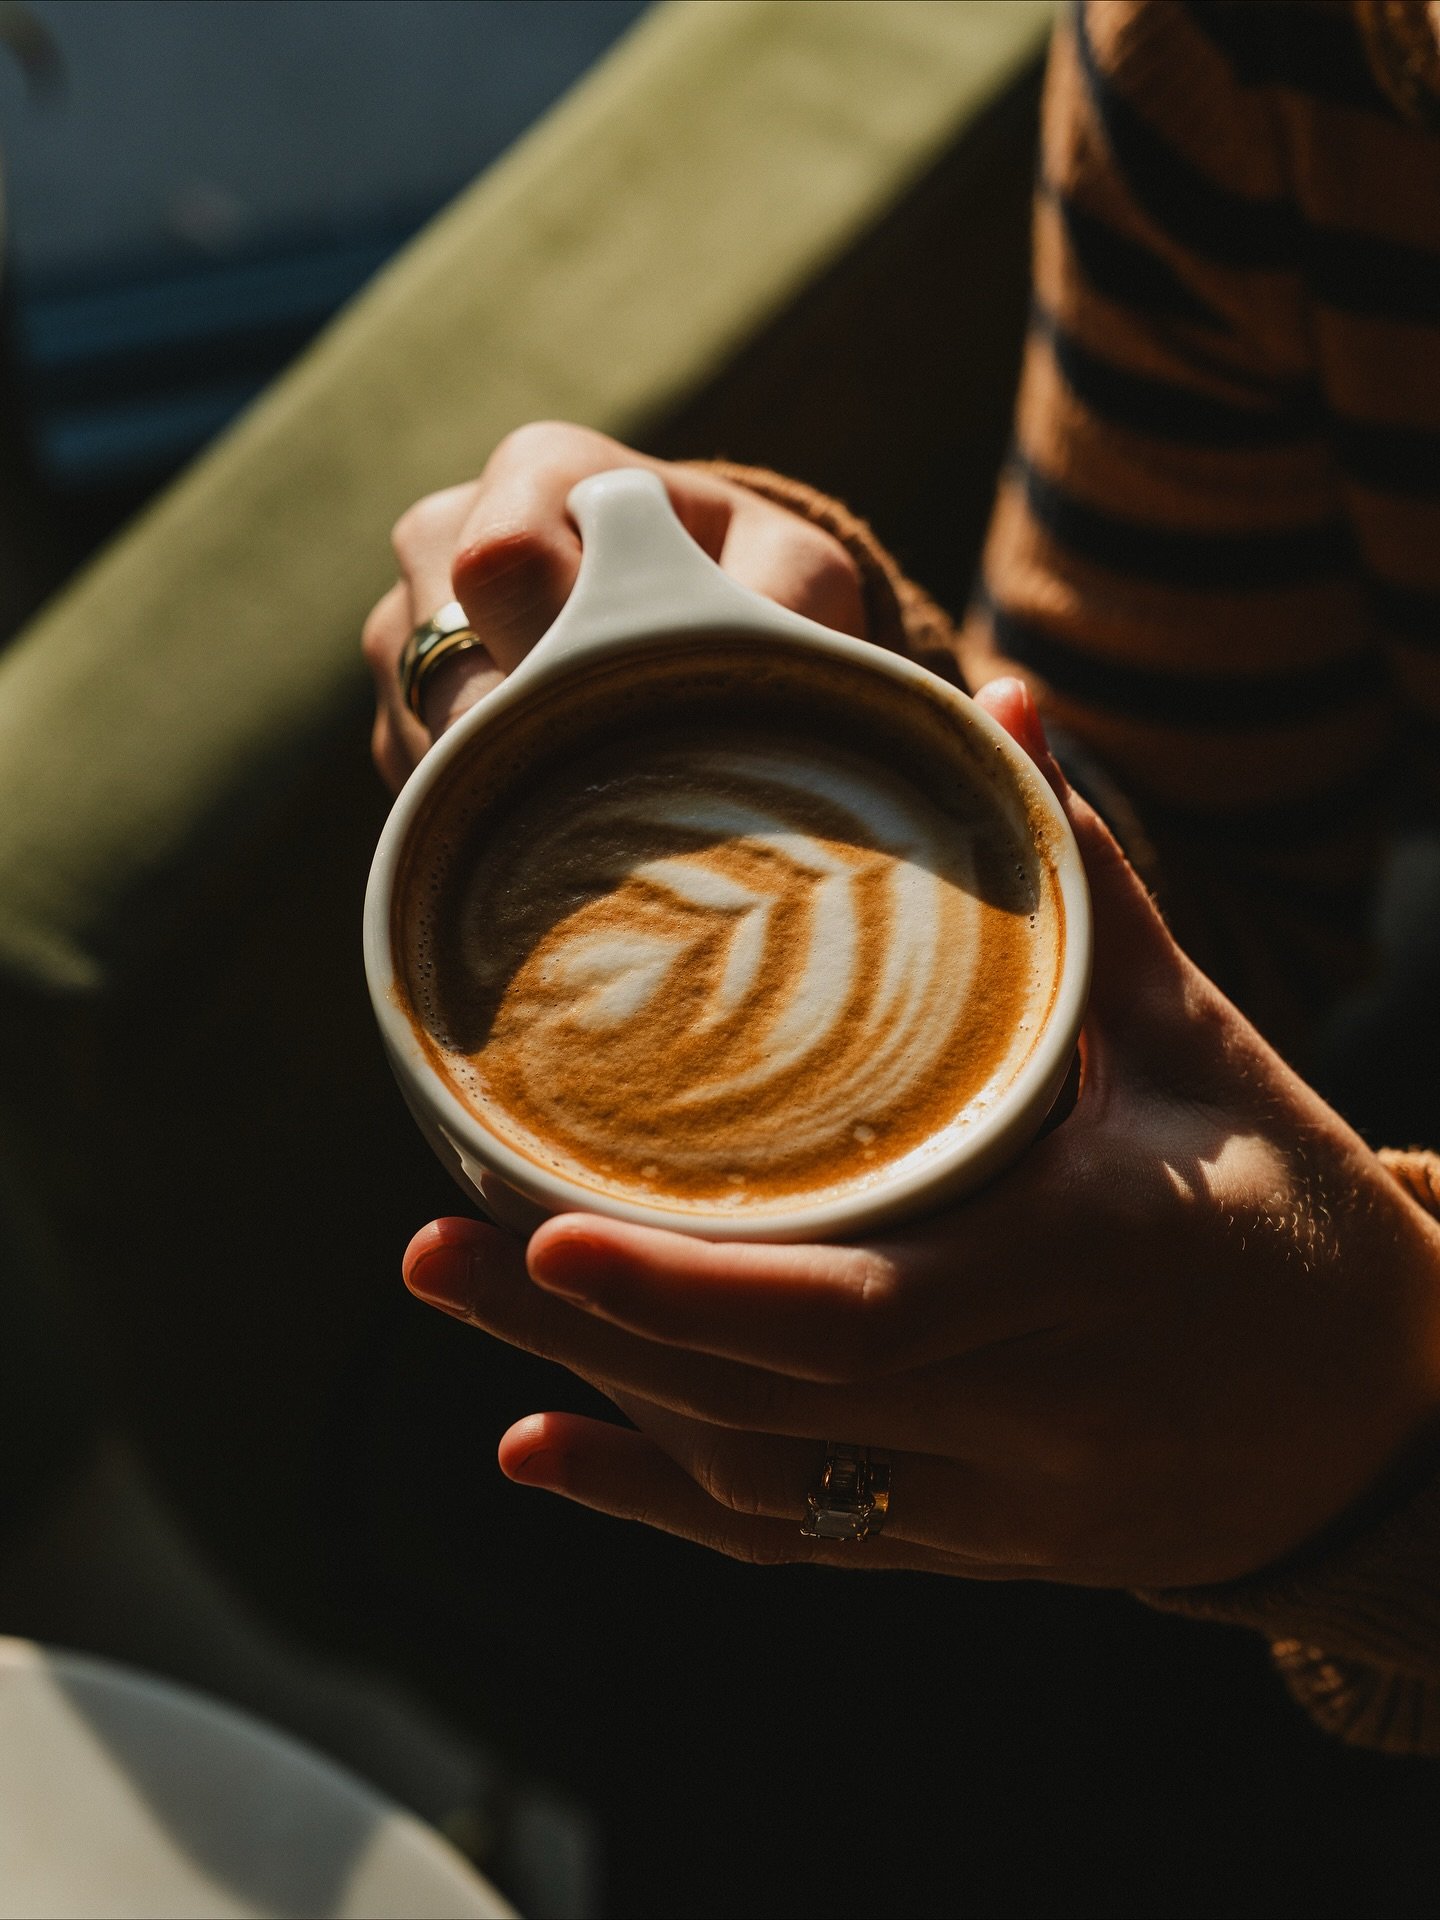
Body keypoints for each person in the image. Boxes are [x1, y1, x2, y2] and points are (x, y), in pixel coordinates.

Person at [363, 0, 1440, 1756]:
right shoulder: (1277, 45)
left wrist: (1387, 1471)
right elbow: (1201, 861)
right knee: (473, 1498)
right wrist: (828, 672)